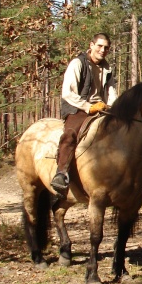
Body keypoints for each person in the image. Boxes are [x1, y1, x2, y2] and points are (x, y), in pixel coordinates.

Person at [51, 33, 118, 197]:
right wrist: (89, 107)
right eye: (100, 46)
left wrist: (113, 107)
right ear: (92, 45)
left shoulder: (107, 68)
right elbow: (68, 92)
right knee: (70, 134)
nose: (103, 50)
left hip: (102, 108)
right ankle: (61, 173)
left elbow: (112, 91)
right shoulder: (78, 63)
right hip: (78, 108)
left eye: (106, 47)